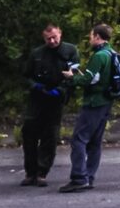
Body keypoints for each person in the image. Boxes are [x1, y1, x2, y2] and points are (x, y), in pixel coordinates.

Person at [60, 23, 120, 193]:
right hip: (106, 101)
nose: (90, 38)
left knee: (79, 139)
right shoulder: (111, 53)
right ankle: (89, 176)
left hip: (94, 102)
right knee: (95, 141)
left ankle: (79, 177)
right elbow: (96, 78)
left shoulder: (98, 56)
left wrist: (71, 78)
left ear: (97, 37)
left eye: (91, 36)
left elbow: (87, 80)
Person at [19, 23, 77, 187]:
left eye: (54, 37)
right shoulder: (37, 54)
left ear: (60, 34)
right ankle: (30, 172)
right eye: (48, 38)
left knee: (50, 136)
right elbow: (25, 76)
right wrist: (35, 86)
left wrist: (61, 90)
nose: (51, 41)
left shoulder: (70, 51)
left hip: (56, 99)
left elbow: (74, 75)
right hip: (37, 98)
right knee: (29, 134)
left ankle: (42, 172)